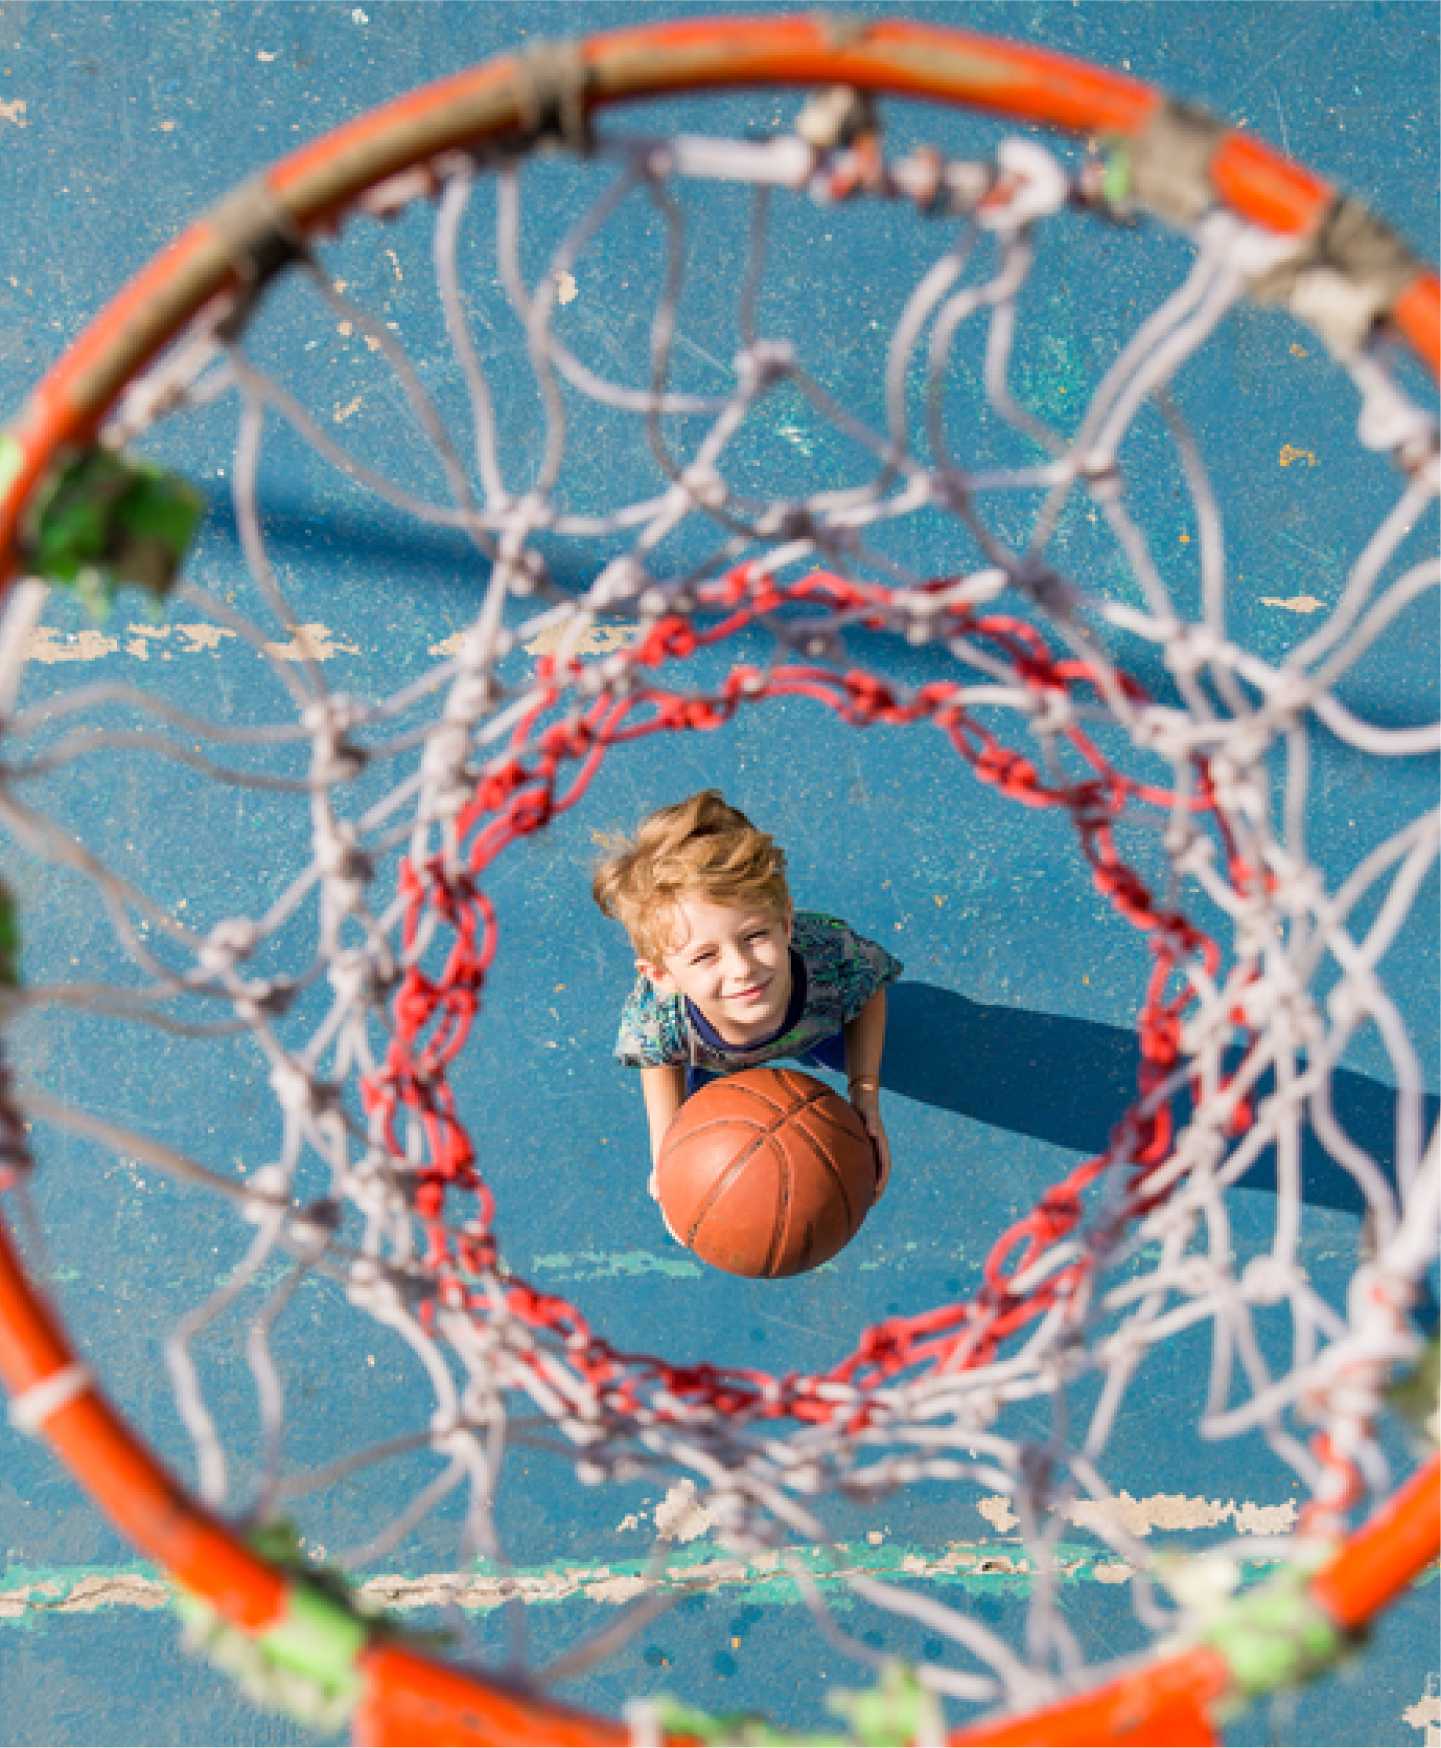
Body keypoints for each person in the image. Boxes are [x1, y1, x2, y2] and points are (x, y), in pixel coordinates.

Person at [591, 790, 900, 1226]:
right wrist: (668, 1157)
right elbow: (656, 1060)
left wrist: (865, 1093)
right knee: (702, 1137)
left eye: (755, 936)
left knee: (857, 1041)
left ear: (786, 921)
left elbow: (869, 990)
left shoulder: (829, 956)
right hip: (715, 1062)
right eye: (704, 957)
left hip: (815, 1020)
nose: (742, 969)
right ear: (661, 975)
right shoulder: (660, 1020)